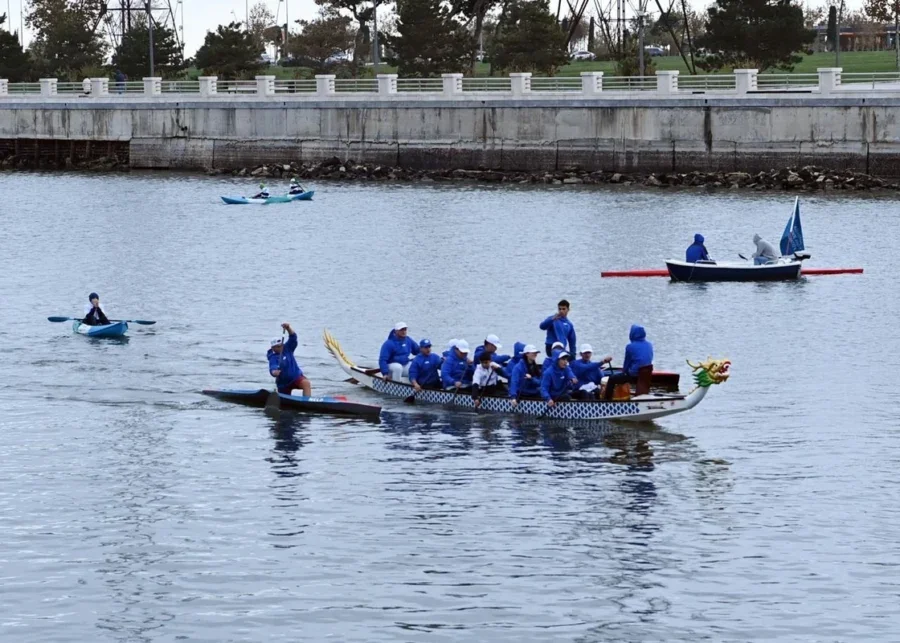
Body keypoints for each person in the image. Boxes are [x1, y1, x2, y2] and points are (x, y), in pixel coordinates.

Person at [603, 325, 653, 400]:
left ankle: (606, 401)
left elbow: (626, 364)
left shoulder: (630, 346)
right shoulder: (649, 344)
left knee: (612, 379)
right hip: (646, 374)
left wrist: (623, 373)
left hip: (634, 375)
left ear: (632, 334)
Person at [267, 322, 311, 396]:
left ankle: (308, 402)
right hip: (283, 383)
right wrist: (274, 372)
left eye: (280, 345)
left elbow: (293, 337)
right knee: (284, 399)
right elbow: (272, 367)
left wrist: (288, 328)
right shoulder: (273, 357)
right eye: (277, 346)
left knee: (306, 383)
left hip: (295, 377)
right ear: (272, 348)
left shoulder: (287, 348)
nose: (280, 347)